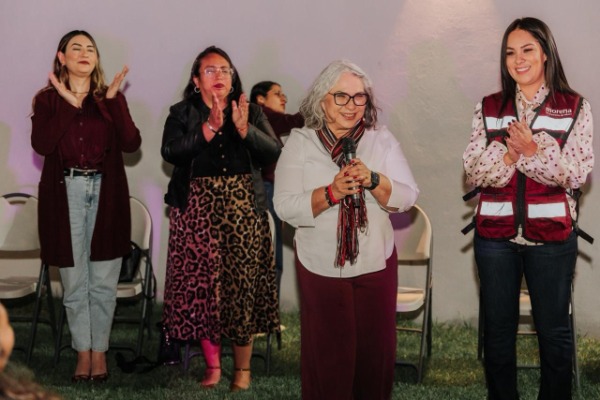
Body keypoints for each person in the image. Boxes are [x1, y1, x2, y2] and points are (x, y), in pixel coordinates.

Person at [462, 17, 593, 400]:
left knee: (554, 333)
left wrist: (533, 151)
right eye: (510, 52)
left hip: (552, 240)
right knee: (497, 333)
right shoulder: (489, 107)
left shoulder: (574, 107)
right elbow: (473, 172)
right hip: (494, 239)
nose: (518, 60)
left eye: (527, 50)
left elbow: (576, 174)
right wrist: (508, 155)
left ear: (546, 53)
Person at [273, 60, 419, 400]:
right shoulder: (300, 143)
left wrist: (374, 180)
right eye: (341, 96)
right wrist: (331, 193)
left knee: (375, 357)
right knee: (328, 360)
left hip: (375, 265)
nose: (351, 105)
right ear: (321, 100)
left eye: (359, 97)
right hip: (320, 266)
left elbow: (409, 196)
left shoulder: (380, 140)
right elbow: (284, 206)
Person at [161, 46, 281, 392]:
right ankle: (213, 367)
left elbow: (273, 151)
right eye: (210, 70)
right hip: (197, 211)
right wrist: (210, 128)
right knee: (204, 290)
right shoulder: (182, 113)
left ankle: (242, 370)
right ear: (196, 80)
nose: (219, 76)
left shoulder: (251, 111)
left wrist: (244, 130)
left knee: (241, 289)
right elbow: (170, 152)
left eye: (225, 70)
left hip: (243, 210)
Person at [31, 30, 141, 383]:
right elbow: (42, 144)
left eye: (90, 49)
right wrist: (68, 102)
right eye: (76, 48)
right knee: (75, 281)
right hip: (65, 194)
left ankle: (100, 352)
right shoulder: (48, 100)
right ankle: (82, 352)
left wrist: (114, 102)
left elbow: (131, 143)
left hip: (106, 194)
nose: (84, 53)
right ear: (61, 58)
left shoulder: (107, 99)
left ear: (96, 59)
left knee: (104, 282)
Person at [250, 81, 304, 294]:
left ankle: (267, 307)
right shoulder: (260, 114)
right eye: (277, 93)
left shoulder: (262, 123)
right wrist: (318, 103)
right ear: (260, 99)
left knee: (269, 251)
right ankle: (269, 308)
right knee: (272, 253)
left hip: (267, 190)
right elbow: (294, 121)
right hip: (265, 190)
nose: (284, 98)